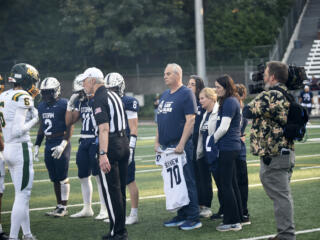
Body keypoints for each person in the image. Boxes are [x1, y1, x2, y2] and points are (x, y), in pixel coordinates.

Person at [243, 61, 296, 240]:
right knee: (282, 195)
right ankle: (284, 234)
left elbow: (247, 111)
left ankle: (286, 236)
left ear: (272, 76)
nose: (263, 76)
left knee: (281, 197)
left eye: (265, 73)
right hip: (284, 152)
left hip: (274, 155)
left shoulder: (271, 94)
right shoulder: (285, 94)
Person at [80, 67, 129, 240]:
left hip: (112, 144)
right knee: (120, 190)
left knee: (112, 191)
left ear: (92, 80)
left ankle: (118, 232)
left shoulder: (99, 98)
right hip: (124, 142)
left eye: (84, 81)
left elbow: (104, 128)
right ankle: (119, 229)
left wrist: (102, 153)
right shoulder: (114, 94)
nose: (83, 85)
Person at [155, 63, 201, 230]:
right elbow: (160, 120)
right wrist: (157, 142)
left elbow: (190, 120)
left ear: (177, 75)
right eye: (164, 73)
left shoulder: (186, 93)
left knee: (187, 181)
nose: (164, 76)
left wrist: (181, 143)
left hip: (180, 146)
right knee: (175, 184)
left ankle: (194, 217)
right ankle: (182, 214)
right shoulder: (165, 95)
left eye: (168, 74)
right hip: (167, 147)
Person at [0, 63, 40, 240]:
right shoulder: (23, 96)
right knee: (23, 195)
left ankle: (28, 234)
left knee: (21, 194)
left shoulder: (4, 95)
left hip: (7, 148)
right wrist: (36, 120)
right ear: (26, 79)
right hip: (20, 147)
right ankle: (14, 237)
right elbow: (18, 129)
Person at [65, 74, 108, 220]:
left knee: (98, 176)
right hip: (84, 140)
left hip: (95, 140)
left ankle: (104, 208)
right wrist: (70, 104)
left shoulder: (99, 100)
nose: (80, 92)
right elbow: (69, 121)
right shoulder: (82, 102)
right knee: (83, 175)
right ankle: (87, 208)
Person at [34, 77, 73, 217]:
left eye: (49, 92)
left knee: (62, 176)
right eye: (44, 92)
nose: (45, 95)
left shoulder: (64, 104)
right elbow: (41, 127)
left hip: (61, 140)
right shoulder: (41, 106)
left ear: (56, 91)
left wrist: (64, 143)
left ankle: (64, 207)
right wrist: (37, 144)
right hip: (48, 142)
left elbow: (70, 125)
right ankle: (58, 205)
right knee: (54, 178)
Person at [105, 72, 140, 225]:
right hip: (112, 144)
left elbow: (133, 128)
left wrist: (131, 147)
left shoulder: (128, 101)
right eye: (109, 89)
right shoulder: (106, 101)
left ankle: (134, 213)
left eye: (113, 88)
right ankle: (119, 215)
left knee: (129, 180)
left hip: (125, 143)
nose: (111, 92)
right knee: (115, 182)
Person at [214, 75, 243, 232]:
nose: (216, 90)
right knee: (231, 183)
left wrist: (212, 139)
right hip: (230, 146)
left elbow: (224, 127)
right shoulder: (230, 100)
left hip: (228, 147)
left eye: (218, 87)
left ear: (226, 87)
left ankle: (232, 221)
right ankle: (238, 218)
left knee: (226, 184)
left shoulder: (230, 101)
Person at [187, 76, 212, 218]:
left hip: (202, 141)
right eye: (188, 84)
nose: (189, 86)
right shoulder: (188, 101)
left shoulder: (202, 102)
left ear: (198, 87)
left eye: (192, 84)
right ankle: (197, 204)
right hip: (190, 142)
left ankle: (206, 205)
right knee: (194, 175)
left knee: (204, 175)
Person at [195, 87, 220, 219]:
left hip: (215, 154)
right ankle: (205, 207)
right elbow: (201, 135)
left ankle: (225, 210)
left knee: (221, 183)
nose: (200, 101)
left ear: (211, 98)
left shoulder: (218, 111)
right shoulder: (205, 114)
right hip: (204, 154)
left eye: (202, 98)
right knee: (204, 180)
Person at [235, 83, 250, 225]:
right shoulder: (240, 108)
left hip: (239, 150)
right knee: (237, 182)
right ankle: (239, 210)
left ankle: (243, 211)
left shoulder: (241, 109)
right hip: (236, 148)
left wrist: (240, 134)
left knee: (241, 182)